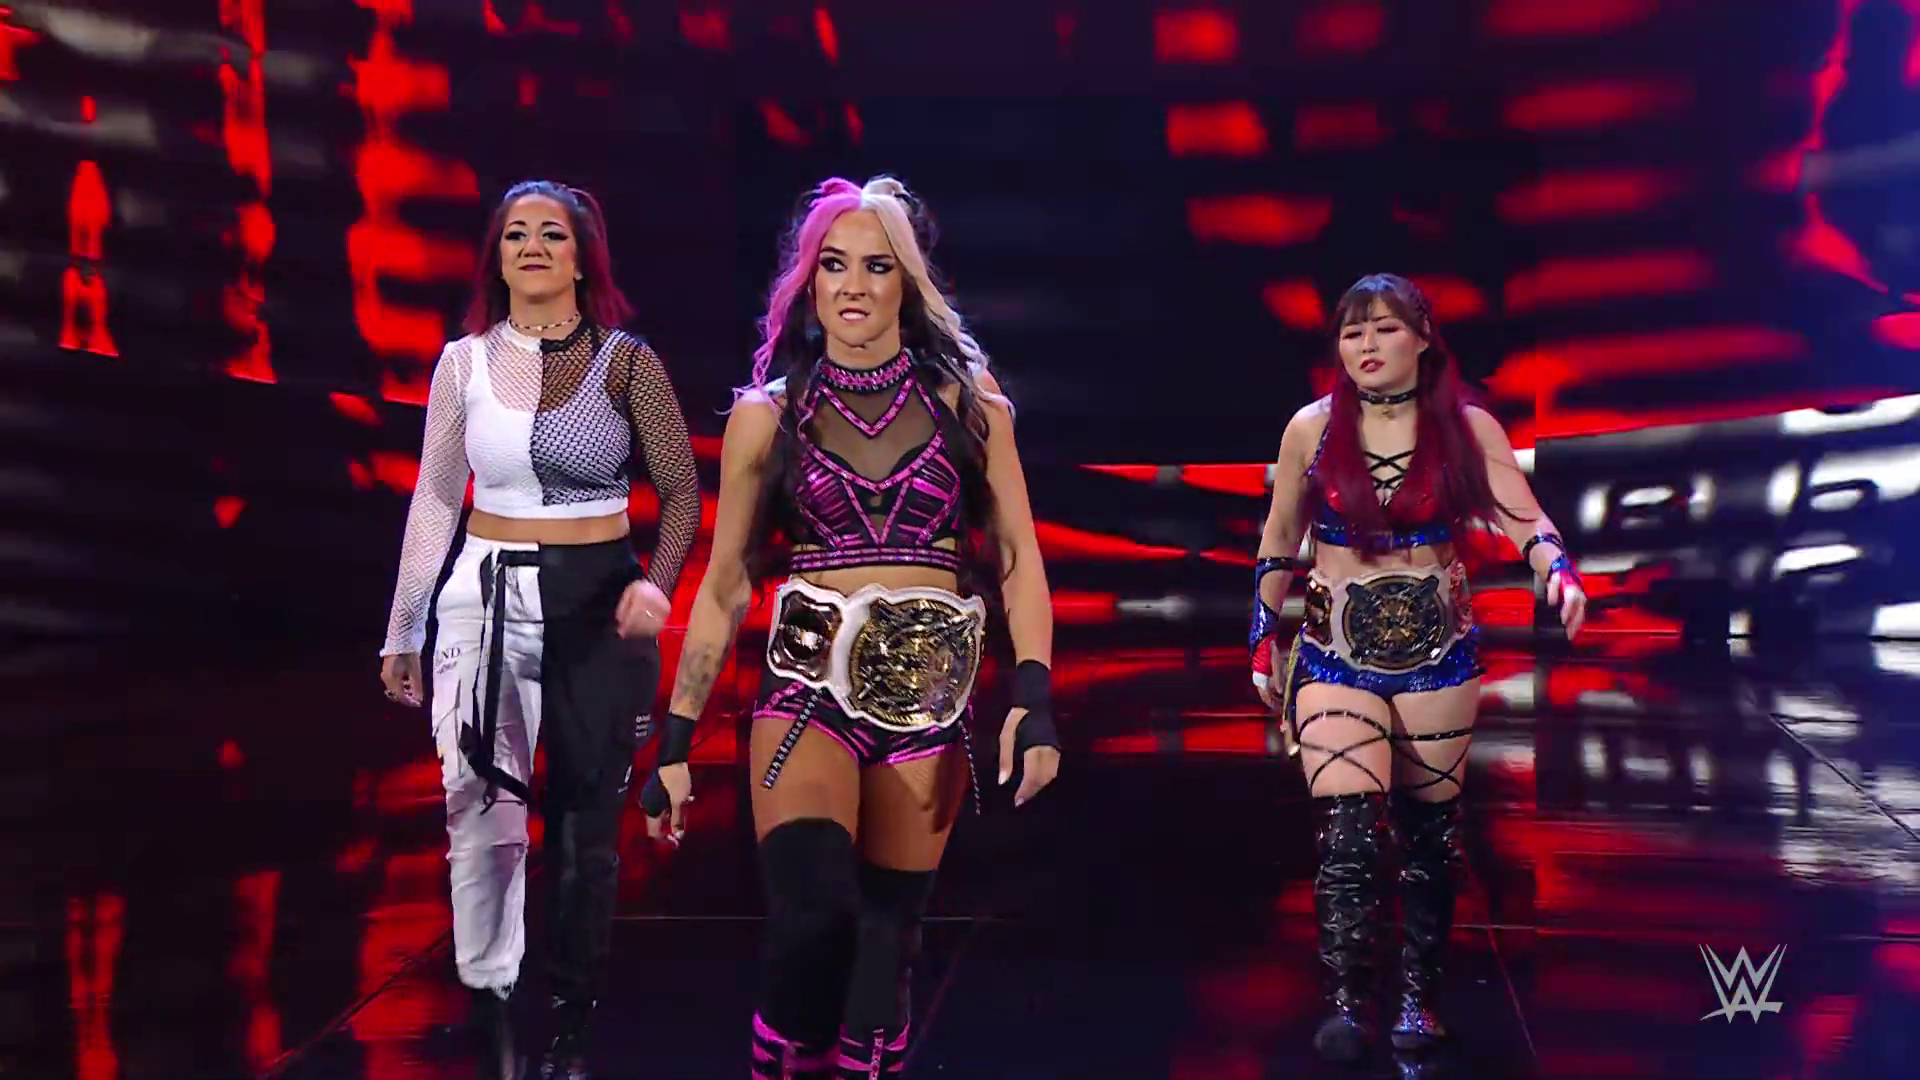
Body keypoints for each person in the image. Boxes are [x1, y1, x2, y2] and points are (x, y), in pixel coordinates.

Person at [639, 175, 1061, 1078]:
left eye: (878, 266)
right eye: (835, 265)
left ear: (907, 282)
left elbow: (1018, 557)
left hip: (928, 703)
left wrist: (1034, 700)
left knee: (885, 947)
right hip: (805, 697)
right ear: (810, 280)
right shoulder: (768, 414)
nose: (855, 285)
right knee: (812, 922)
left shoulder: (970, 403)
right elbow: (724, 586)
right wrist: (675, 740)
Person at [376, 180, 701, 1080]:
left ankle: (571, 1015)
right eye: (515, 233)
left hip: (597, 599)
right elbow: (436, 499)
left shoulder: (627, 363)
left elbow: (681, 492)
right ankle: (489, 998)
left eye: (550, 234)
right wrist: (403, 627)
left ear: (581, 258)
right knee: (478, 802)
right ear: (496, 256)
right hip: (484, 594)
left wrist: (658, 588)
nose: (531, 247)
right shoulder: (462, 364)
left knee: (587, 822)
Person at [1249, 273, 1585, 1063]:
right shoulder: (1311, 429)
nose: (1366, 345)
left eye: (1385, 328)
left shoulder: (1466, 428)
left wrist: (1559, 570)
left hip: (1437, 657)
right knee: (1347, 834)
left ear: (1424, 337)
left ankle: (1417, 999)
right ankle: (1346, 1002)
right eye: (1352, 332)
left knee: (1429, 837)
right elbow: (1279, 538)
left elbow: (1525, 518)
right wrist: (1263, 636)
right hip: (1335, 655)